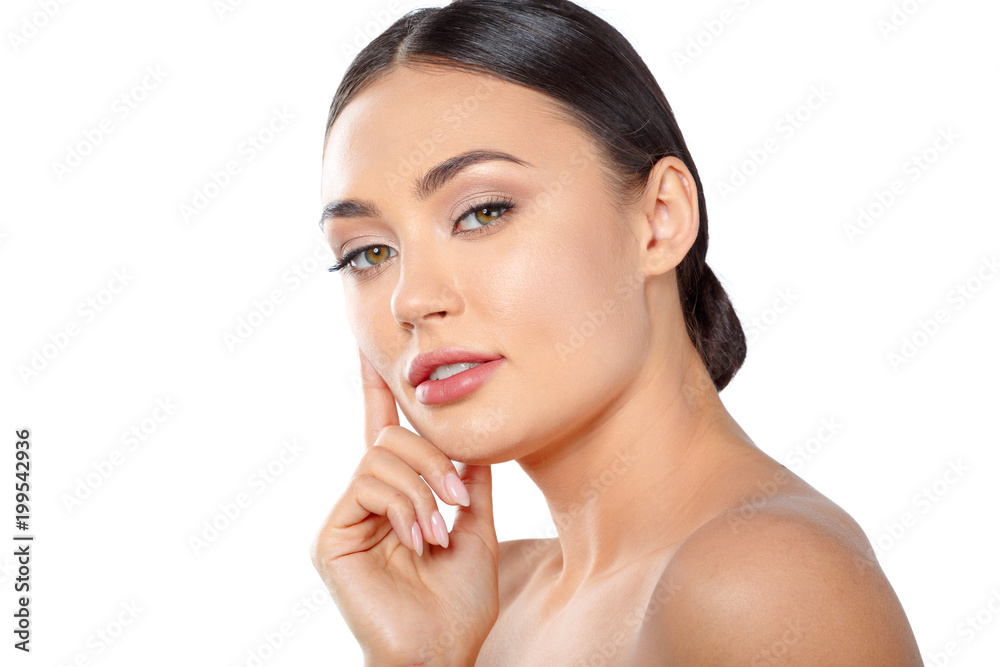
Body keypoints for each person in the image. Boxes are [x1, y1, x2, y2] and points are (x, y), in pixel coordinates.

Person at [309, 1, 923, 664]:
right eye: (368, 253)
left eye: (483, 211)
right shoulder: (487, 603)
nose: (410, 298)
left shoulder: (762, 578)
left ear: (660, 218)